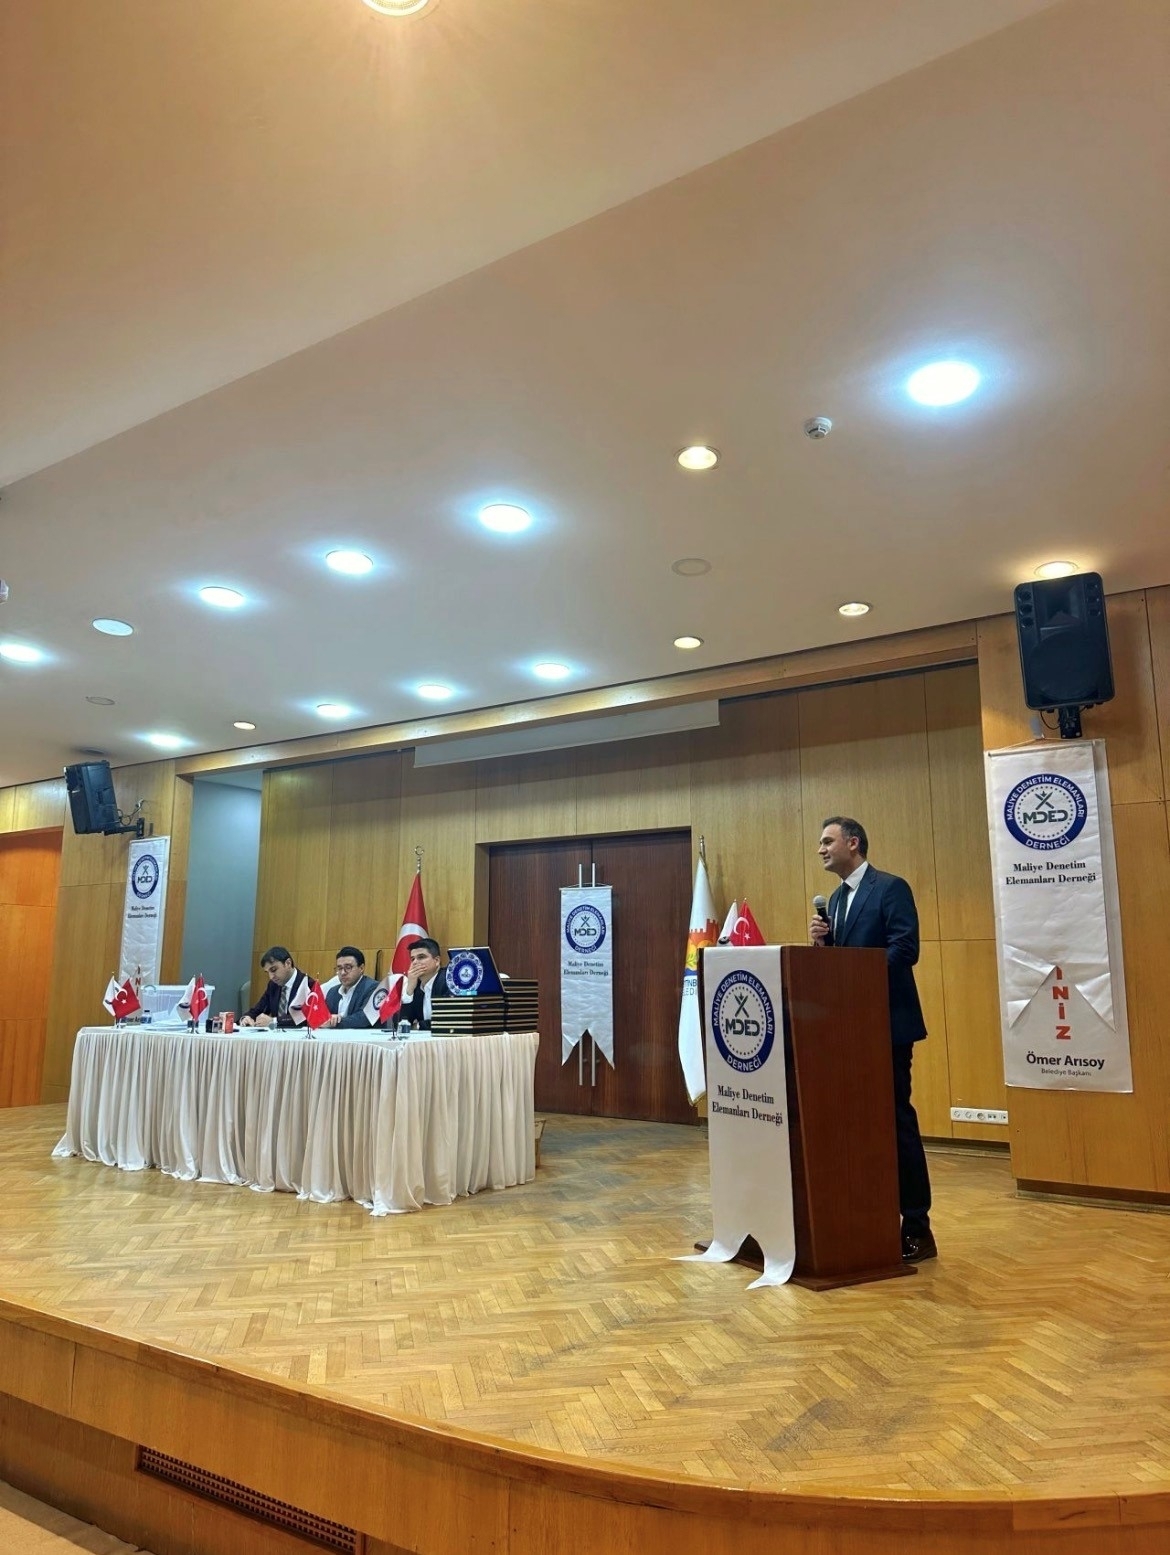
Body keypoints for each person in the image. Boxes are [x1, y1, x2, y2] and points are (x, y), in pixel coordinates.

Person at [808, 816, 936, 1263]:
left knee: (897, 1122)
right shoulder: (837, 899)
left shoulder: (890, 888)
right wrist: (824, 949)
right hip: (850, 1032)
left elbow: (905, 949)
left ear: (853, 843)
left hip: (888, 1028)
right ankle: (868, 1218)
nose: (821, 849)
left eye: (828, 841)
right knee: (859, 1125)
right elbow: (843, 964)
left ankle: (917, 1227)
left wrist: (852, 971)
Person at [240, 946, 313, 1029]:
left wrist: (274, 1021)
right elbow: (258, 1009)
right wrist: (246, 1018)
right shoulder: (273, 985)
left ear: (288, 963)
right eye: (267, 972)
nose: (271, 977)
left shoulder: (308, 984)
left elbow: (307, 1018)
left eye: (273, 970)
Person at [324, 946, 378, 1029]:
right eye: (339, 968)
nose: (343, 973)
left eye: (348, 968)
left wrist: (335, 1022)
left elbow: (364, 1018)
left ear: (361, 968)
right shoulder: (333, 992)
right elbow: (324, 1017)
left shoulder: (373, 988)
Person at [397, 937, 444, 1030]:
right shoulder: (416, 985)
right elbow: (403, 1023)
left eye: (421, 957)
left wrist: (418, 1026)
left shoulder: (448, 981)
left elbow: (447, 1020)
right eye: (412, 959)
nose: (415, 962)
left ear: (437, 961)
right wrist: (409, 990)